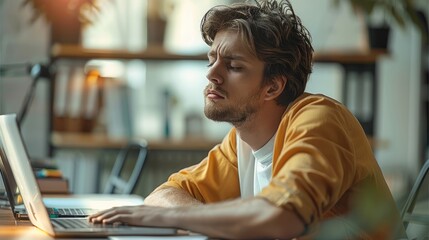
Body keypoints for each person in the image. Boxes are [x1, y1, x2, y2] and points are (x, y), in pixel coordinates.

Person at [89, 0, 406, 239]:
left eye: (233, 66)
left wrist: (171, 219)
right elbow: (163, 195)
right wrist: (197, 215)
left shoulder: (319, 120)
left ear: (273, 86)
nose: (211, 74)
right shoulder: (242, 140)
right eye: (212, 59)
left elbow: (283, 216)